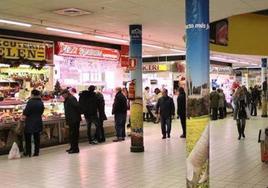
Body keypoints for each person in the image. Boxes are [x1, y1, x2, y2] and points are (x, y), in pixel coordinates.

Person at [23, 89, 44, 157]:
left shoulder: (30, 102)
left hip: (30, 122)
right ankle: (36, 152)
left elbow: (26, 112)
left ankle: (28, 152)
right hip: (38, 121)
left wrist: (24, 113)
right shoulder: (41, 102)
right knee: (37, 138)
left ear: (32, 94)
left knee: (28, 138)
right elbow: (42, 111)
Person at [61, 89, 81, 154]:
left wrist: (76, 115)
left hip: (74, 119)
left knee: (74, 134)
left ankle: (75, 149)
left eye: (63, 95)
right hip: (71, 119)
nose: (62, 96)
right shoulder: (68, 99)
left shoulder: (71, 99)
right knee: (72, 135)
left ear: (66, 93)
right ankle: (72, 147)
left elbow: (77, 107)